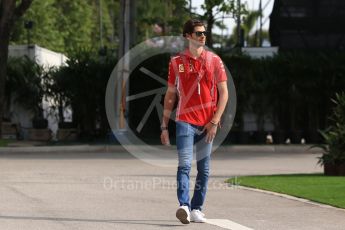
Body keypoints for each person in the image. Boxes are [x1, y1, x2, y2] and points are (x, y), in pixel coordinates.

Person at [160, 19, 228, 224]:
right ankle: (184, 206)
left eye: (204, 33)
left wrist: (215, 121)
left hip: (207, 123)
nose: (202, 36)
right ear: (187, 36)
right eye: (198, 33)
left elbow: (224, 93)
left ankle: (197, 208)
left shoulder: (214, 61)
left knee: (204, 169)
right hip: (184, 121)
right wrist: (164, 125)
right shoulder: (176, 62)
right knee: (184, 165)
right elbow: (170, 95)